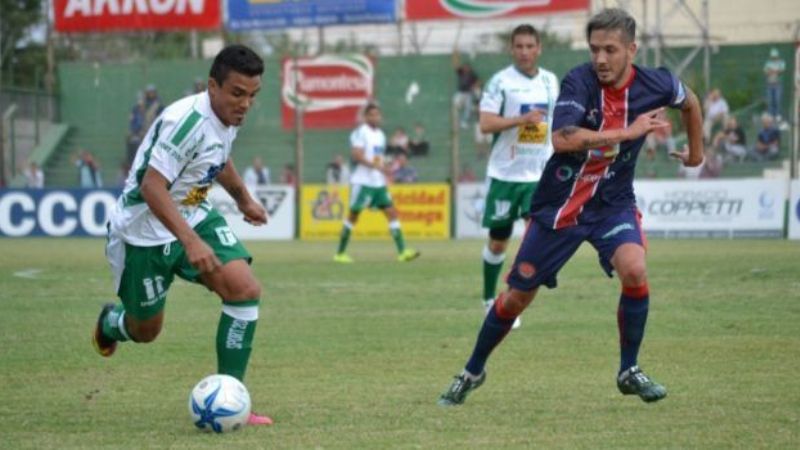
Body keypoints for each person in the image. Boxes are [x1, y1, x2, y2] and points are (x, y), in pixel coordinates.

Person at [438, 8, 705, 407]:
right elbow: (562, 139)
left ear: (631, 50)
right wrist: (627, 132)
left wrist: (697, 153)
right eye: (594, 49)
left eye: (610, 50)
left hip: (613, 203)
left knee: (634, 269)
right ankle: (472, 371)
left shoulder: (658, 82)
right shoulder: (578, 81)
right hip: (560, 206)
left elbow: (691, 102)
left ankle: (629, 370)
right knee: (515, 298)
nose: (600, 58)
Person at [91, 45, 273, 426]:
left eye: (253, 95)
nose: (245, 104)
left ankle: (233, 400)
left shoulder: (226, 117)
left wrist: (243, 199)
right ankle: (111, 323)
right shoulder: (186, 121)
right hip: (142, 231)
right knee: (146, 330)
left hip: (192, 212)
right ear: (212, 86)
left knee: (244, 290)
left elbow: (217, 157)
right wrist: (190, 241)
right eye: (237, 93)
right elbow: (151, 187)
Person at [475, 24, 560, 330]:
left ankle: (512, 298)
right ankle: (488, 299)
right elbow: (486, 124)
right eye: (519, 46)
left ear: (539, 49)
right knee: (498, 243)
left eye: (530, 46)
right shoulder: (500, 82)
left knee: (535, 237)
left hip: (538, 175)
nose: (525, 52)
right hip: (504, 175)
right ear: (512, 49)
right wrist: (521, 119)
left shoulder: (550, 81)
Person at [333, 103, 420, 263]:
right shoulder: (360, 132)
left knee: (392, 212)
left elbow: (377, 158)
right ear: (366, 117)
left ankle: (403, 252)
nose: (375, 117)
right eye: (371, 115)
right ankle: (340, 253)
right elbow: (357, 155)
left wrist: (384, 168)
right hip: (362, 182)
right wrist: (376, 166)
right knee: (353, 216)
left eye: (377, 115)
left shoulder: (380, 135)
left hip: (378, 182)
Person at [453, 53, 480, 129]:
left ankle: (464, 122)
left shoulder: (472, 74)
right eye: (465, 67)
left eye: (467, 67)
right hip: (460, 93)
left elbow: (478, 81)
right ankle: (457, 116)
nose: (466, 69)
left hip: (468, 93)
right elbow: (456, 66)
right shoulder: (461, 72)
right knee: (455, 102)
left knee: (468, 108)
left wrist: (474, 86)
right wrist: (456, 56)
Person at [763, 48, 786, 121]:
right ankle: (770, 115)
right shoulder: (768, 63)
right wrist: (774, 71)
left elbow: (781, 70)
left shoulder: (781, 62)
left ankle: (777, 114)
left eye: (775, 56)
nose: (773, 58)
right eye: (772, 56)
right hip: (769, 84)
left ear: (777, 56)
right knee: (770, 100)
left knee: (777, 100)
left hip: (778, 85)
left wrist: (772, 70)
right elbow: (765, 72)